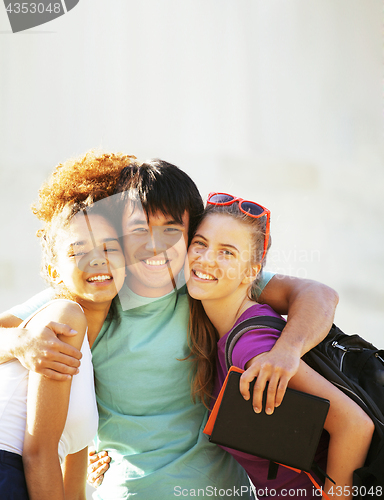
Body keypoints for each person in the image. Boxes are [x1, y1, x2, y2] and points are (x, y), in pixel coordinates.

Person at [0, 154, 339, 499]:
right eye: (138, 230)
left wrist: (287, 351)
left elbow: (318, 295)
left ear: (191, 236)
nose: (154, 245)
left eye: (171, 230)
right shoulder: (98, 291)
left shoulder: (203, 283)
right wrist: (18, 343)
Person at [185, 193, 374, 500]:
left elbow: (354, 426)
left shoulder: (251, 346)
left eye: (227, 253)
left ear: (252, 271)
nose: (206, 259)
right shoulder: (224, 328)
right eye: (201, 243)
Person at [0, 184, 127, 498]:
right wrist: (17, 342)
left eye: (109, 248)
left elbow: (73, 489)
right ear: (53, 270)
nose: (97, 260)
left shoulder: (91, 355)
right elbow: (38, 453)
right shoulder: (64, 317)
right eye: (79, 251)